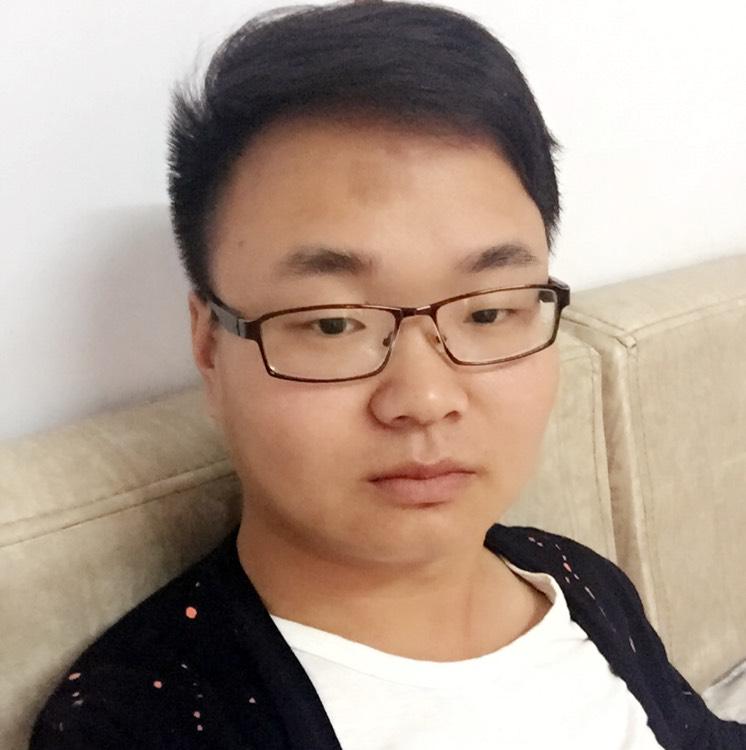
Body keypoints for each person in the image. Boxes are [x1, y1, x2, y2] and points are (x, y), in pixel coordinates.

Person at [30, 1, 746, 748]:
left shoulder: (573, 580)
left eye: (488, 312)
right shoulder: (140, 724)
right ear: (210, 346)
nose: (426, 399)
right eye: (333, 324)